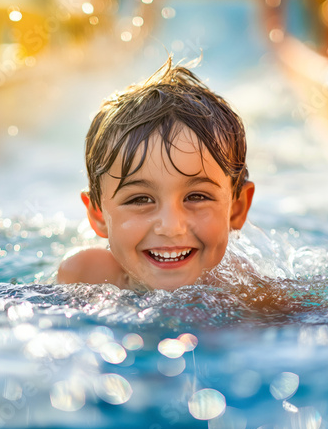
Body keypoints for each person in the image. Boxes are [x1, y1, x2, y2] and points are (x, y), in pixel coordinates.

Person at [57, 58, 254, 291]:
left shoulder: (243, 291)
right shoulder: (86, 276)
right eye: (140, 199)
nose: (171, 227)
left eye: (196, 197)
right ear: (98, 214)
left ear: (237, 207)